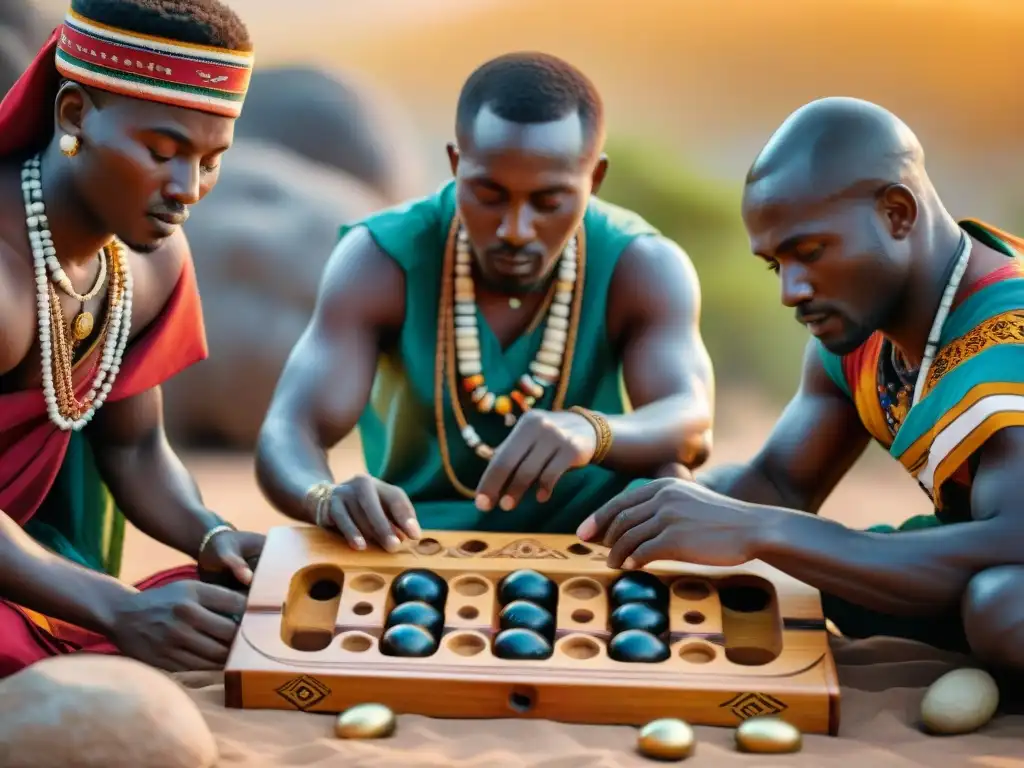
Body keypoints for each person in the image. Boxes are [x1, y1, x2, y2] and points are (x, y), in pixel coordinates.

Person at [579, 96, 1024, 677]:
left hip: (1006, 561)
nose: (791, 290)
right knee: (814, 573)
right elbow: (778, 484)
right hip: (978, 554)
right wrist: (658, 506)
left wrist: (758, 530)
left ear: (897, 214)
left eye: (809, 253)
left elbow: (1013, 539)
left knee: (1003, 609)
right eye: (774, 265)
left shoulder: (1006, 335)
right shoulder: (861, 330)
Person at [255, 52, 715, 551]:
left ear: (594, 179)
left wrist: (592, 431)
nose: (515, 231)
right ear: (456, 165)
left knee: (674, 484)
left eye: (548, 202)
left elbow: (690, 421)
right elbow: (290, 429)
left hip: (599, 543)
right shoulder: (377, 260)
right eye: (489, 194)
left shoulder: (642, 264)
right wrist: (324, 496)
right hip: (416, 545)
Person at [0, 0, 265, 678]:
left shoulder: (148, 264)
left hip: (19, 553)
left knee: (227, 609)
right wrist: (118, 608)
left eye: (212, 160)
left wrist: (213, 537)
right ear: (74, 117)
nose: (188, 190)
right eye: (162, 152)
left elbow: (136, 446)